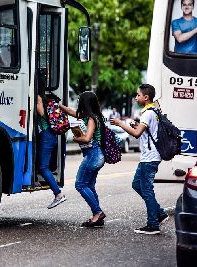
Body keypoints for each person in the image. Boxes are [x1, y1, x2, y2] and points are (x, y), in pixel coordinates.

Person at [110, 84, 168, 235]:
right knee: (137, 184)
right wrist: (137, 125)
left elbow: (136, 134)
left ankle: (153, 224)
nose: (136, 97)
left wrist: (121, 124)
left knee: (147, 190)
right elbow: (144, 131)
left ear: (146, 97)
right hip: (148, 157)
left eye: (138, 95)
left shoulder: (148, 113)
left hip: (150, 158)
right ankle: (160, 213)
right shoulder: (152, 111)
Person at [60, 91, 106, 227]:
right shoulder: (89, 116)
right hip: (96, 155)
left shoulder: (91, 119)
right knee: (90, 186)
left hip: (94, 154)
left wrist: (76, 138)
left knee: (80, 184)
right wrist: (59, 106)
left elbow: (87, 138)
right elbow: (71, 111)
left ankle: (97, 213)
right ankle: (97, 217)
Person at [37, 88, 66, 209]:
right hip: (49, 136)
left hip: (46, 136)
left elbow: (40, 111)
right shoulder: (47, 101)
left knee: (43, 167)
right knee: (40, 163)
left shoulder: (39, 99)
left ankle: (58, 194)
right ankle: (35, 181)